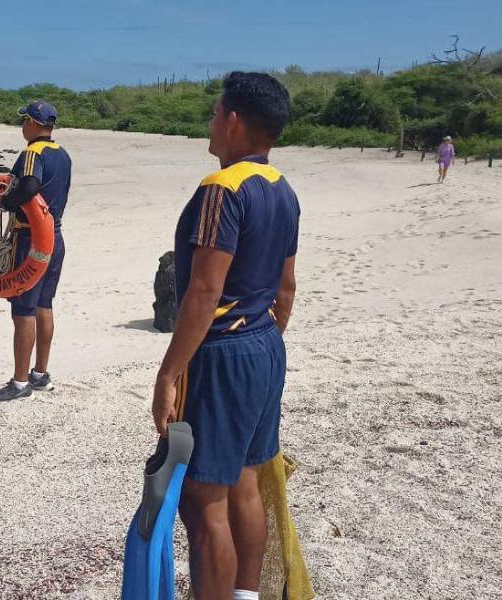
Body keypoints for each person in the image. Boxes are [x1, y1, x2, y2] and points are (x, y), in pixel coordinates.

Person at [151, 72, 299, 600]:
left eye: (215, 114)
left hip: (222, 351)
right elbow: (286, 289)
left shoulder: (220, 191)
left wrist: (169, 374)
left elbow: (202, 292)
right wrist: (263, 346)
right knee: (244, 480)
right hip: (264, 343)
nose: (210, 124)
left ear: (233, 121)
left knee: (202, 499)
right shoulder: (282, 189)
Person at [0, 101, 72, 402]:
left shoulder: (33, 153)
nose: (22, 126)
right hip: (55, 238)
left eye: (24, 121)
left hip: (31, 240)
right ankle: (40, 375)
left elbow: (30, 185)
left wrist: (7, 203)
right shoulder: (63, 154)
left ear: (35, 124)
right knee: (44, 305)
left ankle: (20, 383)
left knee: (23, 311)